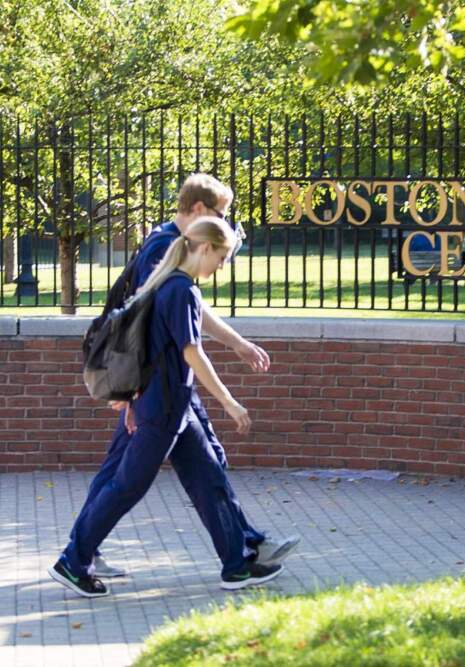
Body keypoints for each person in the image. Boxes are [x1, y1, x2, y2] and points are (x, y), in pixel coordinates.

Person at [71, 174, 298, 580]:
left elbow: (187, 312)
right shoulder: (165, 251)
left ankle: (240, 552)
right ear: (198, 212)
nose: (227, 224)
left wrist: (237, 345)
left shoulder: (176, 256)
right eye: (221, 216)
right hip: (158, 384)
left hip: (168, 385)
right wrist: (133, 392)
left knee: (203, 463)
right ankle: (80, 551)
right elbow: (162, 321)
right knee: (125, 478)